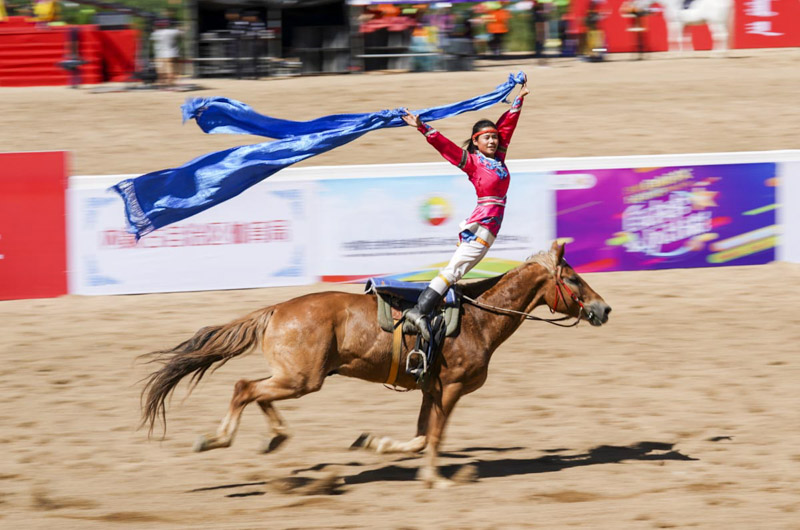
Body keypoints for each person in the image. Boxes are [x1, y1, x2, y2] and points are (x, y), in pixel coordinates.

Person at [400, 76, 530, 340]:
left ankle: (428, 309)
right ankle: (418, 312)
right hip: (482, 225)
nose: (493, 141)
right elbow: (445, 146)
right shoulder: (471, 162)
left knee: (457, 270)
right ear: (476, 142)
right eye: (487, 138)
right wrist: (422, 127)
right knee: (454, 271)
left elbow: (508, 127)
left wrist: (519, 99)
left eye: (495, 137)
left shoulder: (499, 158)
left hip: (490, 226)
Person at [151, 19, 182, 89]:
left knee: (161, 70)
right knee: (171, 69)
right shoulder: (173, 32)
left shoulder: (156, 33)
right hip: (172, 53)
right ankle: (171, 84)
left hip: (159, 54)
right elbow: (181, 32)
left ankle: (162, 84)